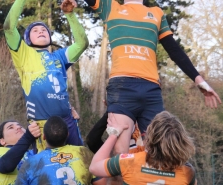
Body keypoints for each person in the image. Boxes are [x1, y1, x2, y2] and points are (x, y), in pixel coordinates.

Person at [84, 0, 221, 154]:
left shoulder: (157, 13)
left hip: (151, 90)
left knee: (160, 150)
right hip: (122, 88)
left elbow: (174, 50)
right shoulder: (109, 6)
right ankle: (121, 178)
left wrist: (199, 80)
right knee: (120, 151)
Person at [3, 0, 89, 152]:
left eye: (44, 30)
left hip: (67, 121)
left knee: (80, 163)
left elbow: (82, 43)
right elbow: (9, 27)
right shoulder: (23, 53)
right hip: (41, 124)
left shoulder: (60, 56)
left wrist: (70, 15)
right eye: (35, 30)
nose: (41, 31)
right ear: (28, 39)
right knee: (46, 168)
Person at [89, 111, 197, 185]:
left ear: (150, 137)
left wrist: (114, 134)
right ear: (182, 141)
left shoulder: (128, 161)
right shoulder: (187, 171)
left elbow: (94, 167)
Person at [15, 116, 106, 185]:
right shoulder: (83, 152)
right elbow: (100, 182)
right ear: (67, 134)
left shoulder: (31, 162)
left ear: (44, 137)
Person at [0, 120, 41, 185]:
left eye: (20, 126)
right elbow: (5, 166)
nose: (18, 127)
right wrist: (28, 137)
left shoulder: (33, 152)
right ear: (2, 141)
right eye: (11, 127)